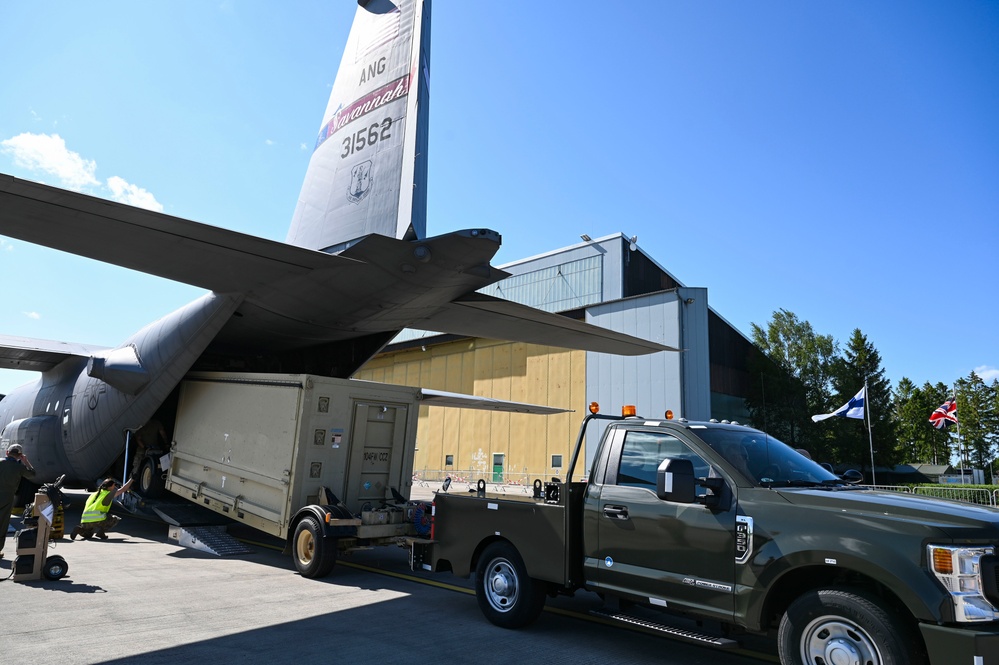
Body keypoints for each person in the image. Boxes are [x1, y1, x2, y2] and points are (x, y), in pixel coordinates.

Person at [0, 443, 36, 558]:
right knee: (2, 524)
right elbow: (33, 474)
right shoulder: (20, 468)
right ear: (20, 455)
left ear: (7, 453)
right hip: (7, 498)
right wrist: (26, 461)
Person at [71, 477, 134, 541]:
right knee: (114, 519)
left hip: (85, 520)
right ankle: (101, 533)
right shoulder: (108, 495)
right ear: (110, 486)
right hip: (97, 519)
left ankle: (80, 529)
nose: (115, 487)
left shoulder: (95, 494)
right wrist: (132, 479)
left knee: (88, 535)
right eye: (114, 486)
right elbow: (123, 489)